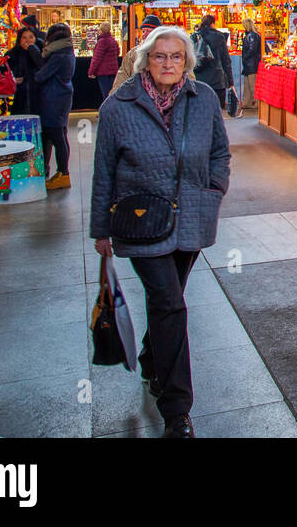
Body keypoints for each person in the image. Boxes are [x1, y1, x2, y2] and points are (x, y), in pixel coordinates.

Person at [90, 26, 230, 439]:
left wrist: (213, 188)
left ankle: (152, 358)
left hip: (191, 219)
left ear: (187, 61)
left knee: (169, 302)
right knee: (170, 304)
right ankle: (177, 411)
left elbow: (220, 151)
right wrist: (101, 229)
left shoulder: (203, 98)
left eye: (176, 57)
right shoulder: (118, 106)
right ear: (144, 60)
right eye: (159, 57)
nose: (168, 64)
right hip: (140, 222)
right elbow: (104, 172)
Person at [34, 22, 76, 189]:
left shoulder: (58, 55)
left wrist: (33, 52)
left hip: (53, 98)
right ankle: (61, 173)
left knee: (56, 135)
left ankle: (63, 173)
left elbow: (40, 76)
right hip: (62, 96)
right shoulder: (67, 51)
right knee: (60, 134)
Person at [111, 14, 161, 96]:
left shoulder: (168, 52)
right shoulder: (133, 53)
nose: (145, 34)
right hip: (137, 98)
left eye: (148, 31)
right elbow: (122, 76)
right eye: (143, 31)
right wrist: (115, 97)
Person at [192, 14, 233, 109]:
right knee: (217, 111)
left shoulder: (195, 37)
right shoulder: (220, 37)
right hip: (217, 78)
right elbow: (226, 60)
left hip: (200, 78)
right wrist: (230, 82)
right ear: (212, 24)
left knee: (202, 110)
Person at [5, 26, 42, 115]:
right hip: (17, 96)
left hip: (38, 95)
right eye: (24, 37)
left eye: (31, 37)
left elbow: (43, 67)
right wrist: (13, 79)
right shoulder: (11, 54)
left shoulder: (41, 52)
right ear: (19, 39)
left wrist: (33, 51)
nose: (27, 40)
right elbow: (3, 72)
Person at [88, 23, 121, 98]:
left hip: (103, 71)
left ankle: (107, 109)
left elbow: (97, 58)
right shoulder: (113, 40)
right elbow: (117, 52)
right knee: (112, 93)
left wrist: (91, 71)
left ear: (100, 30)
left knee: (105, 94)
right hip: (113, 70)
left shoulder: (101, 41)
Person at [239, 18, 261, 111]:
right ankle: (247, 102)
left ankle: (255, 103)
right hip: (251, 64)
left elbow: (252, 49)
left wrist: (245, 57)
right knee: (248, 85)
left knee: (252, 85)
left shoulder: (251, 36)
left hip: (251, 64)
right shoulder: (253, 35)